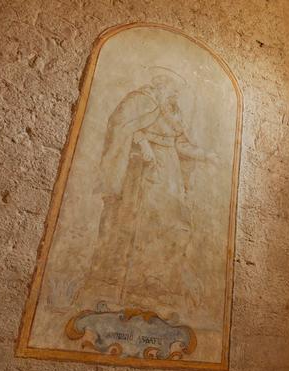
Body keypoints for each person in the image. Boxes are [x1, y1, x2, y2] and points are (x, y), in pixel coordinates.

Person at [79, 73, 216, 311]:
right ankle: (129, 287)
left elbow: (179, 143)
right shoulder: (139, 100)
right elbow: (119, 127)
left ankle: (155, 284)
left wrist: (205, 155)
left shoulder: (173, 110)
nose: (176, 93)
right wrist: (141, 141)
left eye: (177, 90)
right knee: (140, 222)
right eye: (174, 88)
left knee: (169, 225)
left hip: (169, 171)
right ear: (161, 84)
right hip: (143, 171)